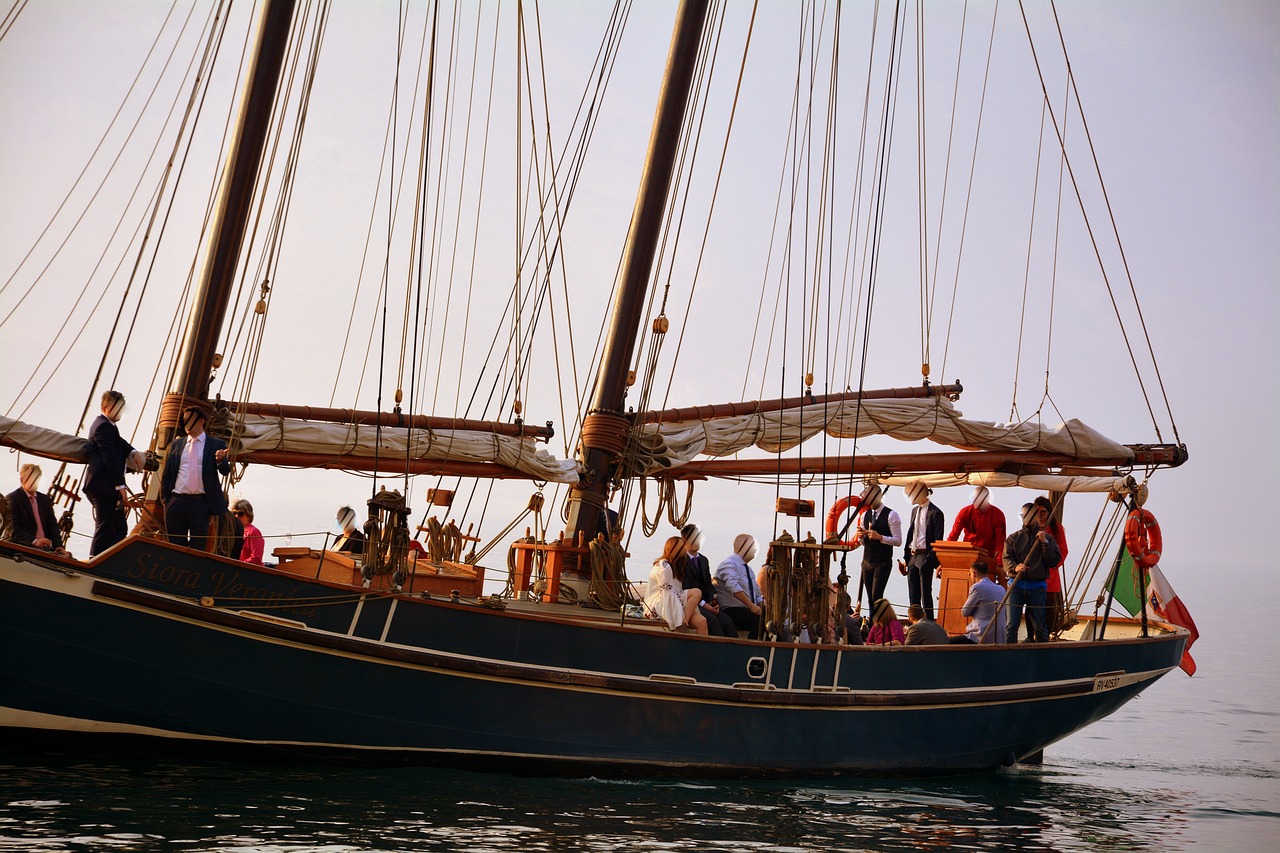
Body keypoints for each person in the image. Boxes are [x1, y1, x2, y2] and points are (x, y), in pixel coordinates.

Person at [160, 405, 230, 551]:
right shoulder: (176, 445)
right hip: (176, 502)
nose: (186, 424)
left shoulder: (216, 445)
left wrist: (220, 460)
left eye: (190, 420)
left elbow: (225, 471)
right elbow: (167, 474)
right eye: (184, 420)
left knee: (198, 549)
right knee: (175, 548)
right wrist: (166, 500)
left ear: (201, 421)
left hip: (200, 504)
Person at [83, 389, 145, 556]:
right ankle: (93, 560)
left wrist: (133, 452)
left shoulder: (108, 426)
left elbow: (119, 443)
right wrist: (120, 486)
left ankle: (105, 558)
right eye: (117, 407)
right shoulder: (102, 426)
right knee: (105, 526)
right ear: (105, 407)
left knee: (119, 527)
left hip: (107, 486)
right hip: (102, 486)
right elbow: (109, 458)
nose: (120, 411)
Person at [1003, 500, 1062, 643]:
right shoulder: (1013, 538)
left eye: (1029, 516)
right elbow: (1006, 559)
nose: (1026, 519)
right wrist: (1015, 568)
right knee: (1011, 626)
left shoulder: (1047, 538)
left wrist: (1044, 543)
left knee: (1040, 627)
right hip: (1016, 586)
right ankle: (1008, 657)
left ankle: (1043, 658)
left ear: (1036, 517)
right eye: (1024, 516)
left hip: (1036, 587)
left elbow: (1053, 561)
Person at [853, 484, 901, 613]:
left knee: (876, 597)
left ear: (879, 496)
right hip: (867, 561)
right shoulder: (865, 515)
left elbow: (898, 541)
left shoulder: (891, 515)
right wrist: (861, 536)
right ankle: (871, 626)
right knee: (869, 598)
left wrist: (880, 537)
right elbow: (863, 542)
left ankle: (878, 625)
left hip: (882, 562)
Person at [644, 536, 707, 634]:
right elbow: (666, 594)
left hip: (676, 599)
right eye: (682, 546)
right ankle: (684, 620)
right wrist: (678, 616)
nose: (685, 549)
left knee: (702, 621)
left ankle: (701, 648)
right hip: (661, 602)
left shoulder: (677, 565)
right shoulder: (664, 566)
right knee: (697, 592)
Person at [681, 523, 735, 636]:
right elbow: (684, 587)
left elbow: (708, 585)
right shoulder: (681, 561)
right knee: (712, 621)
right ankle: (717, 651)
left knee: (728, 621)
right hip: (692, 603)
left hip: (706, 602)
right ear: (684, 540)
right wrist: (704, 604)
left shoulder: (703, 560)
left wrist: (713, 602)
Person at [946, 485, 1007, 583]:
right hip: (968, 557)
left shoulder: (997, 515)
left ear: (987, 498)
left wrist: (999, 565)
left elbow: (1000, 542)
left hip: (987, 560)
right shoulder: (965, 512)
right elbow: (953, 536)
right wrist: (945, 561)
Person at [902, 481, 944, 621]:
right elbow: (911, 534)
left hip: (925, 554)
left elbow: (938, 539)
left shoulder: (936, 513)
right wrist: (906, 558)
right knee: (913, 593)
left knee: (925, 592)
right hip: (912, 554)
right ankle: (914, 622)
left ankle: (929, 622)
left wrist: (929, 559)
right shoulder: (915, 511)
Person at [7, 463, 67, 554]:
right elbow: (13, 529)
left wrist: (58, 546)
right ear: (22, 480)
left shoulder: (45, 500)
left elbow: (52, 526)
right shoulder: (13, 498)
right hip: (23, 548)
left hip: (45, 549)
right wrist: (35, 541)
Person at [715, 533, 764, 639]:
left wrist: (763, 606)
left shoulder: (748, 570)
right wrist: (751, 606)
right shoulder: (729, 564)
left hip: (747, 609)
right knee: (760, 623)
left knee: (773, 623)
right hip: (733, 609)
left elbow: (757, 592)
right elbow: (733, 586)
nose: (755, 550)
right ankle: (752, 650)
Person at [951, 560, 1007, 644]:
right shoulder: (1001, 589)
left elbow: (965, 612)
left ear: (974, 573)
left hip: (982, 635)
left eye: (969, 573)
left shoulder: (977, 588)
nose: (969, 576)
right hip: (999, 637)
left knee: (947, 642)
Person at [233, 498, 264, 565]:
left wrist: (239, 564)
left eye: (240, 514)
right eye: (234, 513)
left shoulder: (254, 532)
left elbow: (256, 558)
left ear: (248, 516)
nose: (236, 516)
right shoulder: (233, 532)